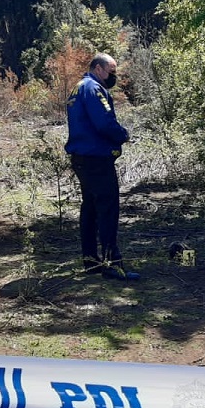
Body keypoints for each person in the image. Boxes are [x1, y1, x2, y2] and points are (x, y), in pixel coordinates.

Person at [65, 53, 140, 281]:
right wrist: (123, 135)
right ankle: (112, 264)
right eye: (111, 71)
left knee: (90, 209)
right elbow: (104, 123)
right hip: (96, 160)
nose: (113, 77)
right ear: (98, 69)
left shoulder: (78, 89)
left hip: (82, 158)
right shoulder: (93, 89)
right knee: (107, 210)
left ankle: (91, 262)